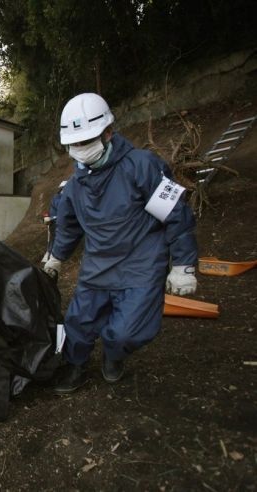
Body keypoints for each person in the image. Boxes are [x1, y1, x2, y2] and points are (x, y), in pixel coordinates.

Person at [43, 93, 198, 394]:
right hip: (98, 265)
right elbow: (69, 226)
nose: (80, 149)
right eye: (74, 144)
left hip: (140, 264)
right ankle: (75, 366)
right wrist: (55, 258)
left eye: (87, 141)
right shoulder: (75, 186)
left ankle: (114, 356)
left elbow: (175, 213)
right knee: (78, 321)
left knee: (125, 332)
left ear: (108, 133)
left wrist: (183, 265)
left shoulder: (142, 166)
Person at [41, 181, 67, 263]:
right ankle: (50, 259)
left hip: (57, 222)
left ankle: (50, 259)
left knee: (55, 241)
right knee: (53, 241)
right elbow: (60, 207)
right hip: (54, 222)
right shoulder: (58, 197)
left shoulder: (61, 197)